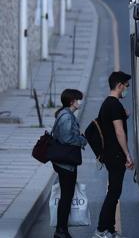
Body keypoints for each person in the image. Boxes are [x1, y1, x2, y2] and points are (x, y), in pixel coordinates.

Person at [94, 71, 133, 238]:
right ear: (119, 85)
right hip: (116, 155)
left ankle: (109, 229)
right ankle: (101, 229)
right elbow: (119, 132)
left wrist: (124, 115)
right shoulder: (114, 105)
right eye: (126, 86)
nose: (127, 89)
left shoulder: (107, 104)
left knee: (114, 192)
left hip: (109, 155)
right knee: (113, 193)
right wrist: (128, 155)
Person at [51, 89, 87, 238]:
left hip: (64, 162)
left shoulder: (65, 114)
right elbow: (66, 138)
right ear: (72, 101)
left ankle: (62, 229)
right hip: (66, 163)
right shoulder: (66, 116)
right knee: (66, 197)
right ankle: (61, 230)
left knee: (66, 196)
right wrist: (82, 140)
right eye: (78, 100)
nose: (79, 102)